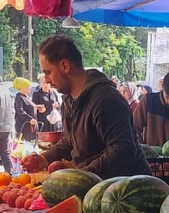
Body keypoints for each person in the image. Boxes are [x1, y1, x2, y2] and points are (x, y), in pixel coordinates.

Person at [33, 34, 150, 178]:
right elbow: (69, 142)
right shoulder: (69, 100)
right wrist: (44, 158)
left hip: (125, 189)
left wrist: (83, 174)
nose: (46, 80)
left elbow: (123, 149)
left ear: (65, 66)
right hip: (95, 186)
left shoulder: (106, 99)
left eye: (48, 72)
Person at [12, 77, 38, 142]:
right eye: (28, 86)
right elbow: (20, 111)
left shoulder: (26, 97)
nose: (30, 88)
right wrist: (30, 119)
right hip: (24, 127)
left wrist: (37, 107)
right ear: (23, 88)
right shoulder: (19, 97)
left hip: (30, 127)